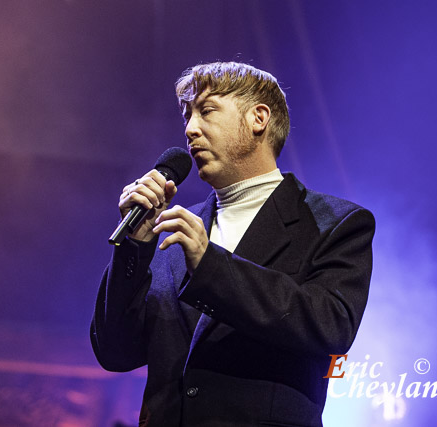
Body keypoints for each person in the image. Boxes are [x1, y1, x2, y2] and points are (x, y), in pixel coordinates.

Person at [90, 62, 375, 426]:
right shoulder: (173, 230)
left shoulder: (334, 222)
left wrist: (209, 265)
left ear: (258, 119)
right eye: (187, 115)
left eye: (207, 111)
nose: (190, 129)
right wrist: (135, 245)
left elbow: (330, 327)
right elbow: (116, 352)